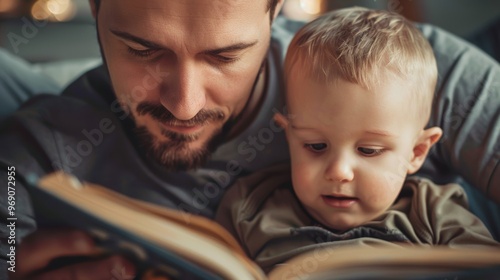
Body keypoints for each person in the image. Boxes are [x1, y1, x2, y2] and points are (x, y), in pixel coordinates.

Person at [0, 0, 498, 279]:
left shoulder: (408, 70)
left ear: (276, 11)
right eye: (143, 51)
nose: (185, 104)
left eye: (224, 56)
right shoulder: (39, 144)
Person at [215, 7, 500, 272]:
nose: (339, 171)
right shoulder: (248, 208)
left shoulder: (436, 215)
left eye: (369, 150)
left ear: (417, 152)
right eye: (315, 146)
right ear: (288, 136)